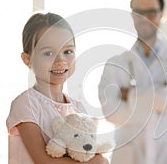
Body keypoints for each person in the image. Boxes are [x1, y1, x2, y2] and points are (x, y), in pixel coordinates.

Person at [98, 0, 167, 164]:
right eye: (139, 12)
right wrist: (162, 93)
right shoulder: (115, 64)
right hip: (129, 156)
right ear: (132, 15)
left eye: (151, 12)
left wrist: (129, 95)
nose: (145, 18)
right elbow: (111, 111)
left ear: (162, 15)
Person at [6, 12, 109, 164]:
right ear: (27, 59)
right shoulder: (26, 105)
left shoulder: (78, 109)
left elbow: (87, 152)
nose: (60, 61)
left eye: (68, 51)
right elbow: (43, 161)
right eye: (48, 53)